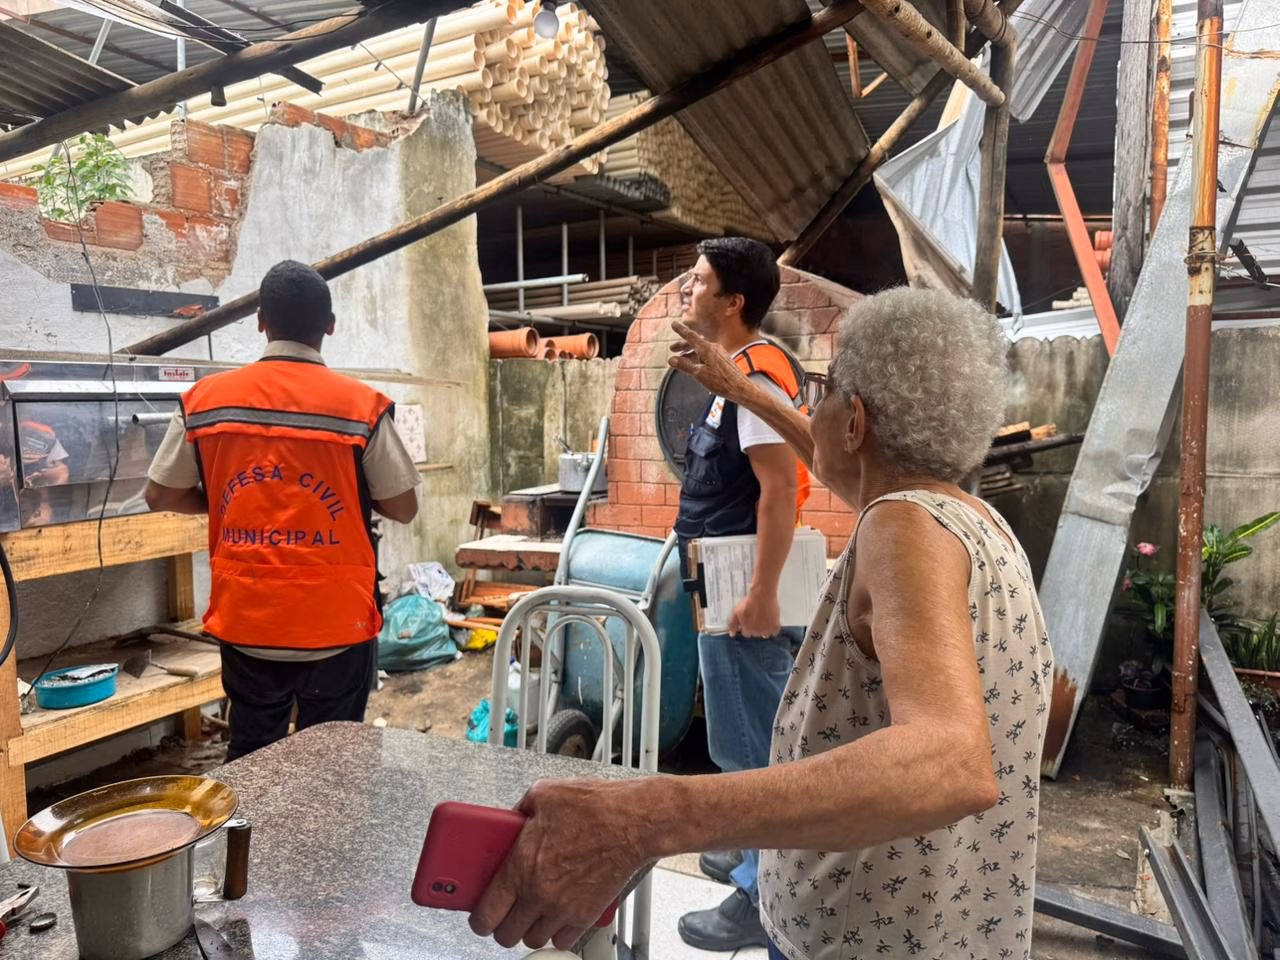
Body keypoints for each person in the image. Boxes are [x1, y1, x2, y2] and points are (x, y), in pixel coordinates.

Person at [468, 286, 1052, 960]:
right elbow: (845, 462)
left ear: (857, 421)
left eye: (823, 391)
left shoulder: (903, 526)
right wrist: (741, 388)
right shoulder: (974, 523)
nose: (812, 406)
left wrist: (647, 818)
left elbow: (951, 762)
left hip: (852, 941)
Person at [144, 260, 420, 760]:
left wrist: (225, 506)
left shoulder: (205, 402)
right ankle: (330, 839)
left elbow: (160, 494)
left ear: (261, 321)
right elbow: (402, 507)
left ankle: (254, 840)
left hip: (249, 622)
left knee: (254, 759)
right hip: (336, 626)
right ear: (329, 326)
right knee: (335, 766)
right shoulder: (362, 408)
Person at [672, 237, 807, 951]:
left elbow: (781, 490)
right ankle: (746, 848)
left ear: (734, 303)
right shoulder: (733, 377)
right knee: (740, 737)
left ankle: (761, 894)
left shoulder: (757, 381)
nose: (685, 292)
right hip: (718, 579)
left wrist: (763, 593)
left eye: (697, 283)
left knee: (756, 750)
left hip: (741, 588)